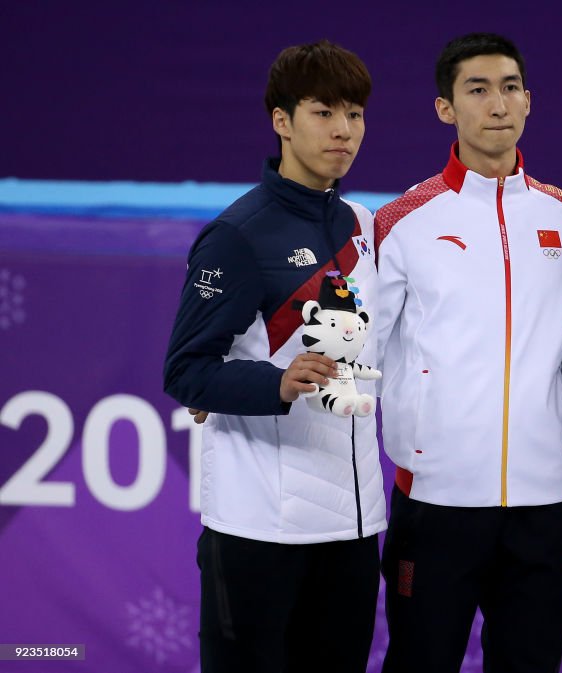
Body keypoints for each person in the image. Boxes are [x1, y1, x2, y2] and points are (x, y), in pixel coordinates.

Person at [163, 40, 384, 673]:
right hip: (259, 530)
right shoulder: (237, 235)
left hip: (353, 529)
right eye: (324, 112)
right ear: (282, 120)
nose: (344, 130)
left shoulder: (363, 224)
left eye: (356, 113)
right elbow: (185, 370)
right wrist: (276, 383)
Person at [373, 33, 562, 673]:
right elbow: (360, 353)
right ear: (446, 108)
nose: (498, 104)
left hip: (544, 505)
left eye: (510, 87)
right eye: (478, 89)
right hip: (435, 503)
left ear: (529, 101)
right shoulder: (402, 221)